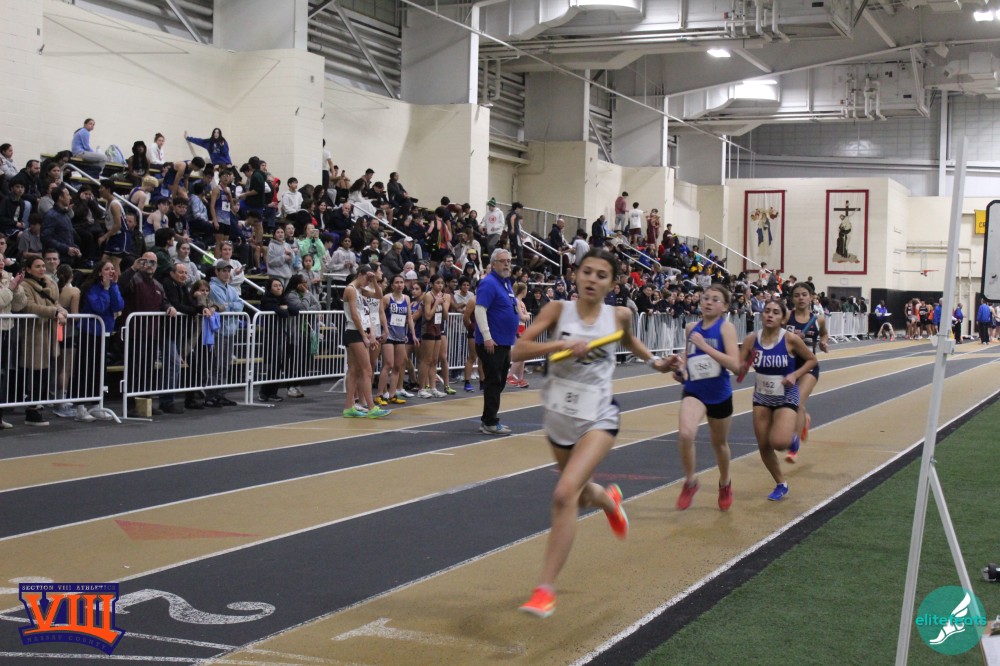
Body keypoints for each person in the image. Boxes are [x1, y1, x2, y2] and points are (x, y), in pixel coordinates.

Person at [513, 247, 667, 618]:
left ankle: (544, 589)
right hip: (559, 416)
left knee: (564, 494)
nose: (592, 280)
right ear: (576, 274)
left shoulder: (619, 315)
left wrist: (656, 361)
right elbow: (519, 349)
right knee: (580, 496)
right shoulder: (557, 310)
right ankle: (608, 500)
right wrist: (561, 344)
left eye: (601, 275)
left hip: (598, 416)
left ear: (613, 284)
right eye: (587, 272)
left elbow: (628, 341)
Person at [670, 284, 742, 511]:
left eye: (715, 299)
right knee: (685, 434)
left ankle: (725, 483)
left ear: (725, 306)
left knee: (719, 444)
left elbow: (736, 366)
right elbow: (688, 358)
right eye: (706, 298)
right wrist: (681, 370)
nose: (709, 302)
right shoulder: (691, 328)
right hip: (694, 391)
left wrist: (705, 346)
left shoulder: (726, 328)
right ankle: (690, 482)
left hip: (719, 394)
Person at [742, 299, 817, 501]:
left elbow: (812, 360)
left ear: (783, 319)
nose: (770, 315)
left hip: (786, 395)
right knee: (764, 444)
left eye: (776, 312)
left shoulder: (790, 339)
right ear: (761, 315)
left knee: (779, 442)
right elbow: (741, 364)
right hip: (761, 396)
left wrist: (795, 374)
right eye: (767, 311)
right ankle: (781, 484)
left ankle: (794, 436)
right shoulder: (751, 339)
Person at [474, 249, 519, 434]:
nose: (507, 264)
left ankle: (488, 418)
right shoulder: (489, 283)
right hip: (492, 342)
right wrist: (487, 336)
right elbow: (480, 309)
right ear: (493, 264)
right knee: (494, 380)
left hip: (503, 342)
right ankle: (490, 421)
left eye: (509, 260)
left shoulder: (505, 283)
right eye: (503, 261)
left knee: (499, 381)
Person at [783, 282, 828, 462]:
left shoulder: (818, 319)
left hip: (809, 366)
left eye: (804, 294)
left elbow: (824, 334)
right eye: (796, 295)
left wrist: (823, 342)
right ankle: (805, 420)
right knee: (790, 405)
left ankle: (793, 446)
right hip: (789, 366)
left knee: (796, 402)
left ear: (811, 297)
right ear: (792, 299)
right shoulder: (787, 317)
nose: (800, 298)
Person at [342, 265, 390, 418]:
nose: (368, 282)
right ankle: (371, 407)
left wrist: (374, 280)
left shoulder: (360, 290)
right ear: (361, 274)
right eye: (367, 279)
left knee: (355, 370)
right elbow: (354, 315)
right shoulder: (351, 289)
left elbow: (379, 295)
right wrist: (364, 335)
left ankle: (349, 407)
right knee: (367, 370)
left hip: (359, 331)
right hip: (354, 332)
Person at [375, 274, 416, 405]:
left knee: (398, 366)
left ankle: (392, 394)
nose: (399, 285)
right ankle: (379, 394)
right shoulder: (387, 298)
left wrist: (413, 334)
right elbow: (380, 314)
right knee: (388, 365)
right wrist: (383, 330)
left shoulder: (407, 298)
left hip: (400, 336)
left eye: (401, 282)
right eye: (397, 282)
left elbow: (409, 318)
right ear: (392, 285)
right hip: (388, 335)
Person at [418, 276, 450, 398]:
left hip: (438, 328)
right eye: (437, 283)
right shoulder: (428, 296)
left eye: (442, 283)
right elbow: (427, 316)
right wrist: (436, 302)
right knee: (426, 359)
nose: (440, 285)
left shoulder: (442, 296)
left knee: (434, 360)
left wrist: (443, 304)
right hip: (428, 329)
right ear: (431, 284)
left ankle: (433, 388)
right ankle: (421, 389)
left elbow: (445, 317)